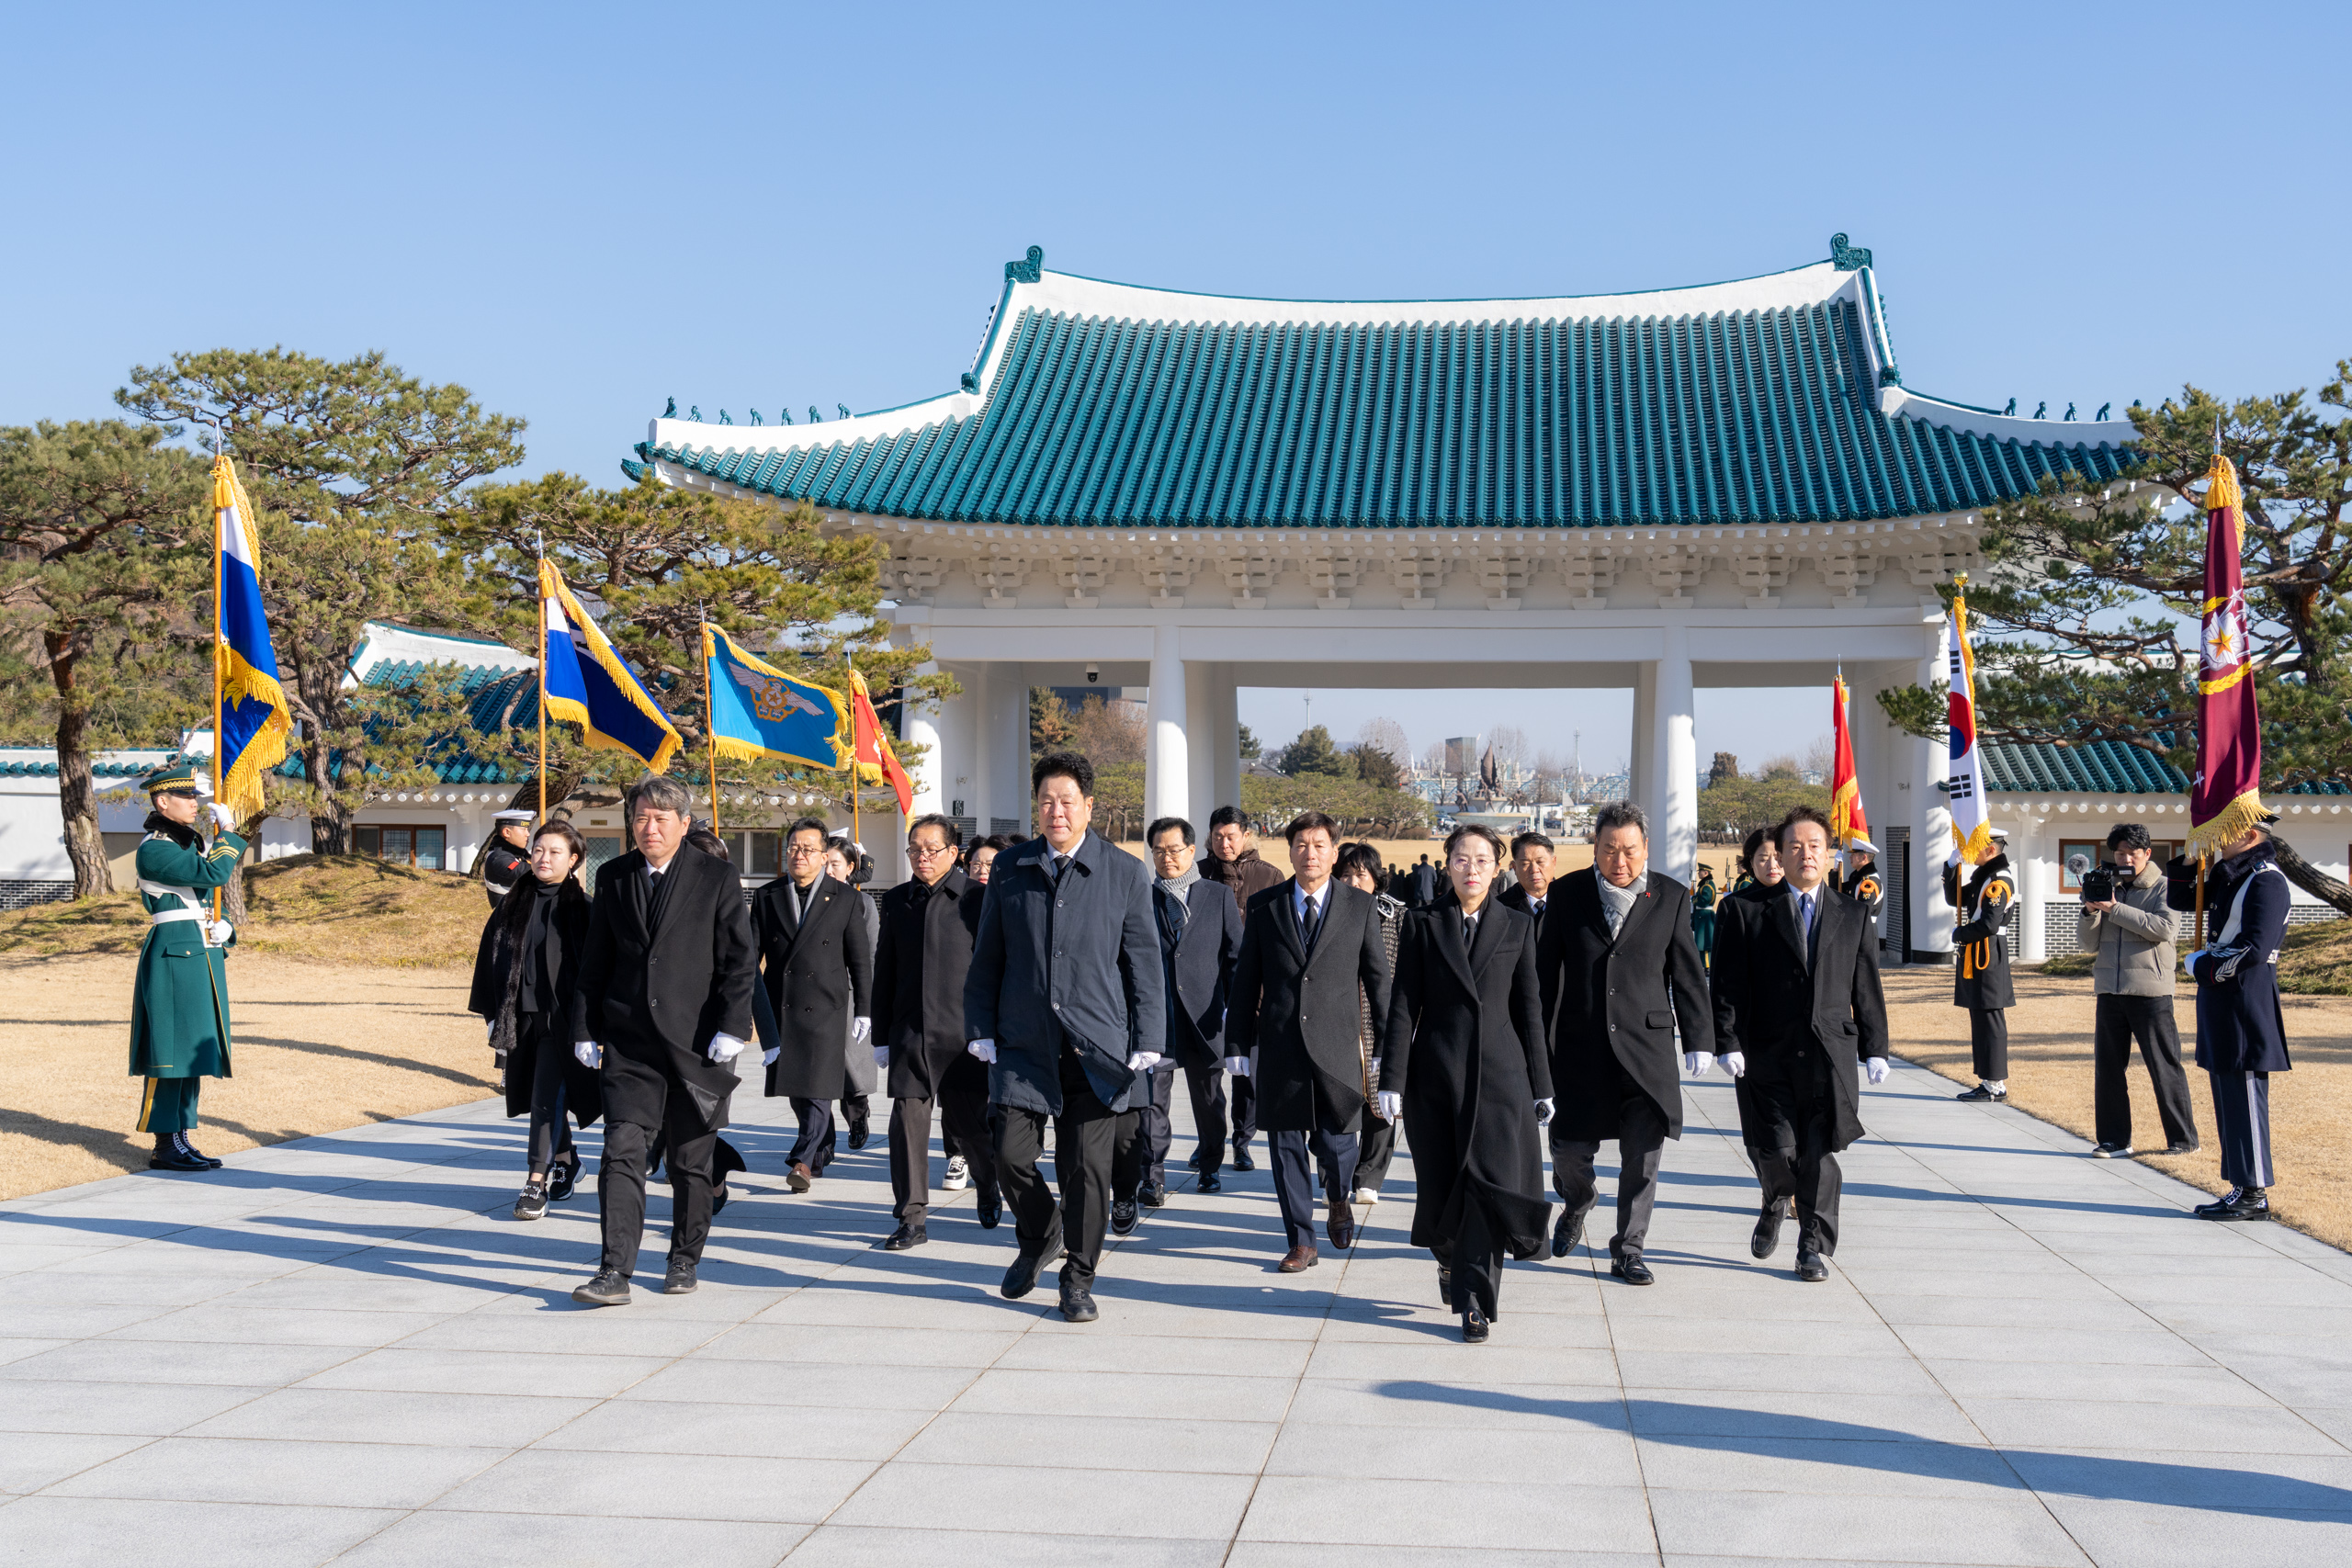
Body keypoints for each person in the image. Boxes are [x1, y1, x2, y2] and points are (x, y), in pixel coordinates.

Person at [964, 750, 1164, 1324]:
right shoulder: (1011, 868)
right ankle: (1039, 1230)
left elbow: (1143, 962)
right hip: (1023, 1043)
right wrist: (980, 1027)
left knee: (1086, 1171)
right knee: (1008, 1156)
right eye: (1046, 801)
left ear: (1089, 807)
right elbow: (988, 957)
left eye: (1067, 801)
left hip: (1095, 1047)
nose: (1056, 811)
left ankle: (1078, 1277)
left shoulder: (1124, 872)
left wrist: (1147, 1034)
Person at [569, 775, 758, 1304]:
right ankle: (615, 1271)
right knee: (621, 1152)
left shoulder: (716, 875)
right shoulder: (613, 876)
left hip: (697, 1043)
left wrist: (732, 1027)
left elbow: (739, 961)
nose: (648, 828)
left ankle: (683, 1256)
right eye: (640, 818)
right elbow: (596, 960)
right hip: (629, 1043)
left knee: (690, 1162)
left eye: (659, 818)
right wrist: (585, 1028)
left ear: (683, 823)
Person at [1378, 823, 1552, 1341]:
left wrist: (1542, 1084)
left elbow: (1529, 1008)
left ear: (1498, 867)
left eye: (1481, 860)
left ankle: (1475, 1300)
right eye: (1461, 859)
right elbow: (1404, 1004)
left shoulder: (1516, 925)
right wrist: (1393, 1078)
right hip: (1438, 1075)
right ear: (1447, 863)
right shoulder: (1423, 922)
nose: (1471, 868)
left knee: (1487, 1186)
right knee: (1443, 1186)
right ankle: (1449, 1259)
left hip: (1501, 1079)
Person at [1535, 801, 1715, 1285]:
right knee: (1568, 1152)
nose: (1620, 861)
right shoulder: (1567, 894)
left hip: (1646, 1049)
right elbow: (1543, 975)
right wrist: (1534, 1044)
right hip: (1579, 1048)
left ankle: (1629, 1248)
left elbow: (1688, 974)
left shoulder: (1671, 896)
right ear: (1594, 849)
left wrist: (1700, 1037)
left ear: (1646, 849)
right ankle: (1577, 1201)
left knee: (1643, 1157)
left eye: (1630, 851)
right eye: (1610, 850)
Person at [1712, 806, 1891, 1281]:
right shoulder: (1746, 910)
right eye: (1795, 846)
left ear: (1829, 855)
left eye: (1815, 846)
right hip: (1765, 1055)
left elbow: (1865, 986)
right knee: (1776, 1150)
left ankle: (1812, 1244)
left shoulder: (1853, 913)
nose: (1805, 854)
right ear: (1781, 853)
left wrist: (1876, 1047)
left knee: (1819, 1153)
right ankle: (1775, 1196)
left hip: (1829, 1056)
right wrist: (1726, 1041)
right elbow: (1727, 983)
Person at [1227, 811, 1393, 1273]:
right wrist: (1238, 1043)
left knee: (1339, 1142)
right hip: (1280, 1045)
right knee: (1285, 1146)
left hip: (1338, 1044)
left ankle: (1338, 1198)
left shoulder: (1358, 906)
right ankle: (1301, 1240)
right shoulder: (1265, 906)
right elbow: (1246, 980)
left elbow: (1378, 980)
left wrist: (1386, 1045)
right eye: (1301, 844)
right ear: (1291, 851)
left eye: (1319, 845)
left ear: (1333, 853)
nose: (1310, 853)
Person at [874, 814, 996, 1248]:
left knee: (969, 1128)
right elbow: (884, 967)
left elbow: (994, 967)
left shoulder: (979, 898)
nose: (922, 857)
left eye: (931, 849)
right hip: (910, 1032)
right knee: (906, 1124)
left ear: (953, 853)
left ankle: (987, 1182)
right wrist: (880, 1034)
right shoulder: (897, 899)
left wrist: (990, 1029)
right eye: (914, 850)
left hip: (964, 1036)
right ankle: (911, 1218)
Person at [469, 818, 601, 1219]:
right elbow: (489, 961)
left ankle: (537, 1179)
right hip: (525, 1020)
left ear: (574, 859)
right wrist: (494, 1015)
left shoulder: (586, 910)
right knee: (544, 1096)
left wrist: (596, 1028)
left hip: (570, 1023)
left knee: (551, 1095)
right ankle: (560, 1163)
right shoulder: (511, 904)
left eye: (556, 852)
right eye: (539, 850)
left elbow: (600, 972)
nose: (544, 858)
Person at [2171, 816, 2291, 1220]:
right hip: (2223, 1000)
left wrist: (2204, 966)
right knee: (2228, 1098)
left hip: (2244, 999)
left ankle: (2254, 1193)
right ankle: (2241, 1185)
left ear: (2250, 835)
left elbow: (2255, 948)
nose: (2217, 840)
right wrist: (2191, 861)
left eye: (2225, 832)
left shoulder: (2267, 880)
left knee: (2243, 1096)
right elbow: (2184, 900)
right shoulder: (2234, 875)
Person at [128, 763, 245, 1173]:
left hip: (198, 954)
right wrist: (228, 836)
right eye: (187, 797)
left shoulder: (183, 847)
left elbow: (206, 898)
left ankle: (181, 1136)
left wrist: (225, 925)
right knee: (169, 1052)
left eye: (195, 796)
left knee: (192, 1053)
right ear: (163, 802)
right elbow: (213, 873)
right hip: (175, 956)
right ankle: (164, 1142)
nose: (196, 803)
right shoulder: (155, 849)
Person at [753, 818, 874, 1192]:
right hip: (783, 1005)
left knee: (820, 1088)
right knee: (796, 1088)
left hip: (827, 1006)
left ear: (824, 856)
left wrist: (866, 1010)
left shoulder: (847, 898)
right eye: (792, 848)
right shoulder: (767, 895)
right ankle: (817, 1148)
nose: (798, 855)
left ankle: (802, 1160)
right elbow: (748, 959)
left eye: (807, 849)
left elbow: (860, 960)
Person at [1133, 815, 1244, 1203]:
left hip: (1205, 1016)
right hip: (1158, 1019)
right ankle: (1153, 1176)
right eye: (1158, 851)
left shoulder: (1217, 895)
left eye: (1174, 850)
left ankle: (1211, 1165)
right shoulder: (1141, 897)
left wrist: (1233, 1009)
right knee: (1151, 1101)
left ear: (1192, 851)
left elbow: (1235, 957)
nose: (1167, 858)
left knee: (1209, 1100)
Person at [2079, 823, 2198, 1159]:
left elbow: (2162, 928)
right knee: (2109, 1070)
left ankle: (2183, 1140)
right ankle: (2115, 1141)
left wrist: (2114, 908)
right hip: (2109, 991)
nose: (2126, 858)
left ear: (2147, 853)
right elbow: (2088, 944)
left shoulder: (2164, 887)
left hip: (2151, 992)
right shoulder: (2106, 886)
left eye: (2133, 852)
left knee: (2164, 1066)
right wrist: (2090, 911)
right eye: (2119, 853)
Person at [1202, 805, 1282, 1172]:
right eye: (1217, 836)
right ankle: (1210, 1138)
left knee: (1246, 1072)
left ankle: (1242, 1142)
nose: (1224, 843)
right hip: (1205, 986)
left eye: (1231, 835)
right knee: (1208, 1070)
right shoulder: (1198, 872)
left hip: (1254, 989)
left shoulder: (1269, 876)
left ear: (1246, 835)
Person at [942, 832, 1015, 1193]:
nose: (982, 870)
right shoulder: (955, 904)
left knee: (994, 1095)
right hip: (959, 1014)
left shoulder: (1014, 903)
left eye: (991, 864)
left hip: (1005, 1012)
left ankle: (996, 1154)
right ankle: (957, 1153)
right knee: (956, 1092)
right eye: (976, 864)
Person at [1337, 841, 1405, 1202]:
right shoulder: (1326, 913)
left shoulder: (1397, 916)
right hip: (1339, 1019)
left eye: (1360, 874)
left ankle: (1368, 1179)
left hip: (1383, 1018)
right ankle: (1336, 1174)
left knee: (1383, 1098)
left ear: (1376, 879)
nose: (1352, 881)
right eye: (1345, 874)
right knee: (1338, 1098)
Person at [1945, 827, 2017, 1102]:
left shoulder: (1999, 879)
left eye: (1974, 847)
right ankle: (1987, 1080)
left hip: (1988, 951)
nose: (1969, 852)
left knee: (1990, 1018)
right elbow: (1955, 899)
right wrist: (1951, 867)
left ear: (1990, 850)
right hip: (1977, 950)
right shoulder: (1985, 876)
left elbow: (1989, 924)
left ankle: (1995, 1084)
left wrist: (1957, 935)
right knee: (1980, 1016)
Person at [826, 837, 880, 1150]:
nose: (830, 870)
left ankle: (857, 1113)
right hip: (815, 992)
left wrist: (866, 1000)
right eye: (827, 862)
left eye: (837, 864)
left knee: (849, 1063)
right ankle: (820, 1139)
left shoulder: (864, 903)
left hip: (849, 990)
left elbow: (870, 955)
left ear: (850, 868)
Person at [1832, 835, 1885, 942]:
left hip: (1865, 932)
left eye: (1854, 854)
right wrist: (1835, 870)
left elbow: (1861, 909)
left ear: (1864, 857)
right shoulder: (1857, 879)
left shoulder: (1869, 882)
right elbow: (1836, 891)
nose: (1850, 858)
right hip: (1855, 929)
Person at [1498, 831, 1555, 923]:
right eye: (1525, 864)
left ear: (1554, 862)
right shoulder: (1500, 907)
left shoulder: (1572, 901)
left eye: (1540, 862)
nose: (1534, 869)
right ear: (1514, 867)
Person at [481, 808, 535, 908]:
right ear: (507, 832)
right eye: (523, 829)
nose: (528, 834)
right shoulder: (498, 858)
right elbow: (524, 871)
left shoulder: (519, 854)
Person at [1691, 865, 1720, 973]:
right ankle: (1705, 965)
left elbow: (1704, 900)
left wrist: (1694, 899)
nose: (1699, 873)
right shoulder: (1705, 885)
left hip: (1704, 915)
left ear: (1706, 873)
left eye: (1701, 872)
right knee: (1703, 942)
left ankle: (1707, 966)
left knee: (1705, 942)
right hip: (1702, 915)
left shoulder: (1707, 886)